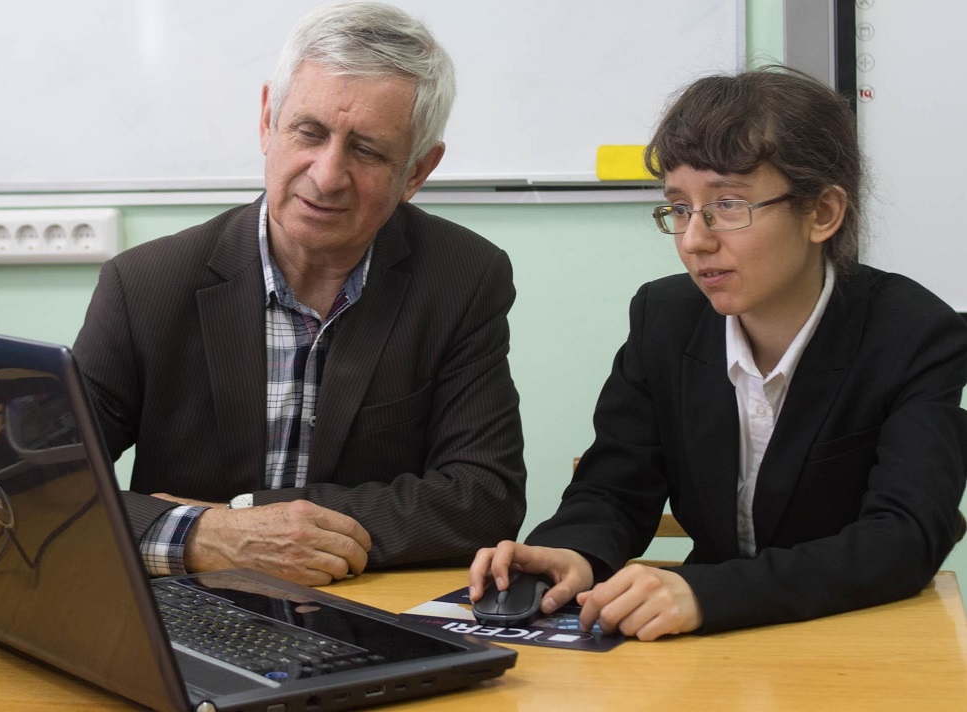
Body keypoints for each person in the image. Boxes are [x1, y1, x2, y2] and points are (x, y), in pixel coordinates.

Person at [469, 66, 967, 639]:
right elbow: (615, 486)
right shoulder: (665, 318)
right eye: (679, 208)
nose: (694, 240)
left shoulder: (912, 332)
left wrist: (708, 594)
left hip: (855, 635)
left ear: (823, 213)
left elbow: (904, 537)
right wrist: (572, 551)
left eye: (729, 205)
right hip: (704, 652)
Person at [73, 1, 526, 586]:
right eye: (309, 132)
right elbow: (37, 484)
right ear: (268, 120)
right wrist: (205, 538)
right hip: (190, 609)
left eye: (366, 150)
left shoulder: (464, 278)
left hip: (364, 609)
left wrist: (250, 522)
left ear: (417, 171)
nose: (326, 174)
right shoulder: (146, 284)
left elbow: (483, 495)